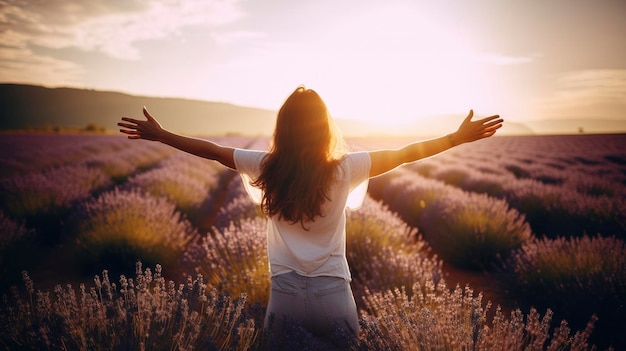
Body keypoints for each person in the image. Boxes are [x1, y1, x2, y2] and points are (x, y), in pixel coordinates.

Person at [118, 86, 503, 347]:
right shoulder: (346, 168)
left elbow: (215, 151)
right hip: (332, 292)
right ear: (324, 128)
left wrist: (164, 135)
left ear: (283, 129)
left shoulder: (266, 166)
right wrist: (455, 138)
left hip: (284, 293)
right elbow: (405, 153)